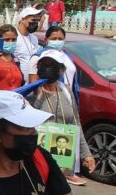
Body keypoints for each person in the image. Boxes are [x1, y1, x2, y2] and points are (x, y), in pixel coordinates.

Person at [26, 50, 95, 185]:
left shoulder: (66, 92)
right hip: (37, 160)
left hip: (63, 162)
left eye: (52, 66)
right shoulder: (31, 94)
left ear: (62, 70)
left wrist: (86, 154)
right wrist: (38, 96)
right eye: (43, 66)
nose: (47, 70)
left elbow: (76, 123)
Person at [15, 6, 44, 82]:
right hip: (18, 85)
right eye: (33, 20)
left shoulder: (34, 38)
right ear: (23, 19)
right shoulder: (13, 37)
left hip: (32, 84)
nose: (35, 23)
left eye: (37, 20)